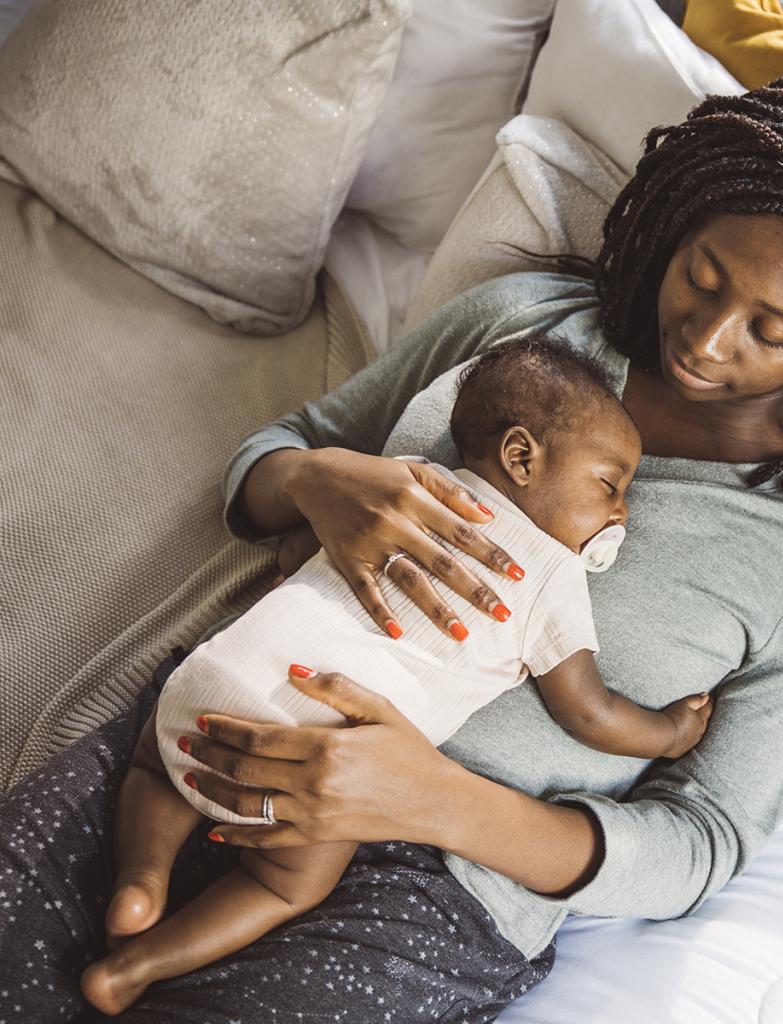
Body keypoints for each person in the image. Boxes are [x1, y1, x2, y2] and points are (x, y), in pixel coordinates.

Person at [0, 75, 783, 1023]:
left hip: (441, 884)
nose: (706, 340)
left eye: (770, 330)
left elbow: (707, 840)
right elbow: (276, 453)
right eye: (701, 276)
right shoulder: (525, 327)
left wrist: (433, 801)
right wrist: (313, 482)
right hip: (243, 713)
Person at [79, 337, 716, 1015]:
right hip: (318, 757)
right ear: (522, 457)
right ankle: (137, 964)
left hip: (216, 679)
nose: (623, 512)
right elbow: (587, 712)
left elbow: (302, 545)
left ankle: (141, 878)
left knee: (154, 765)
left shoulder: (408, 479)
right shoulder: (552, 578)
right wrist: (671, 732)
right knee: (282, 883)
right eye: (610, 485)